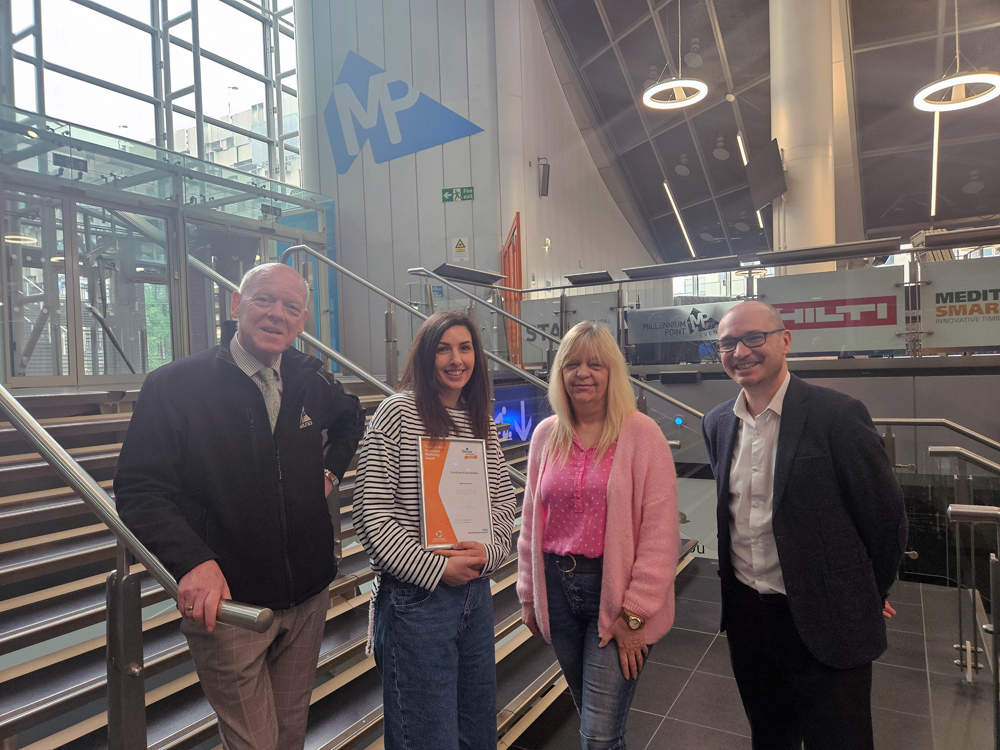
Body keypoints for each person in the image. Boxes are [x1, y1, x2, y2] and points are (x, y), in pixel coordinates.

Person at [114, 262, 366, 750]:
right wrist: (192, 561)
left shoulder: (309, 378)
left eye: (291, 307)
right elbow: (140, 488)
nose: (276, 314)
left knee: (289, 737)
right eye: (263, 299)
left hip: (307, 595)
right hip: (230, 605)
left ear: (302, 320)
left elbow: (350, 419)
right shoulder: (175, 385)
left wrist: (330, 473)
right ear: (236, 304)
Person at [701, 300, 908, 750]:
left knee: (840, 740)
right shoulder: (716, 423)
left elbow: (884, 518)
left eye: (754, 338)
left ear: (785, 341)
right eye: (728, 344)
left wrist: (868, 593)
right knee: (770, 736)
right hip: (748, 619)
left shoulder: (838, 415)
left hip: (827, 617)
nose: (741, 352)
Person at [353, 310, 517, 750]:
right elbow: (370, 514)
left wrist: (488, 554)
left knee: (478, 734)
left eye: (465, 348)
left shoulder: (479, 419)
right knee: (428, 739)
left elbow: (504, 504)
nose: (455, 359)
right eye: (443, 349)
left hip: (475, 596)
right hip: (416, 601)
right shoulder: (396, 412)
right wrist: (437, 568)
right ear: (426, 357)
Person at [517, 322, 680, 750]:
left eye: (595, 364)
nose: (583, 373)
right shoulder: (545, 434)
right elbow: (531, 520)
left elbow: (660, 533)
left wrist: (635, 614)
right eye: (572, 364)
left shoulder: (641, 434)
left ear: (613, 373)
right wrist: (528, 594)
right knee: (591, 717)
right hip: (558, 589)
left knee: (599, 735)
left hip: (616, 592)